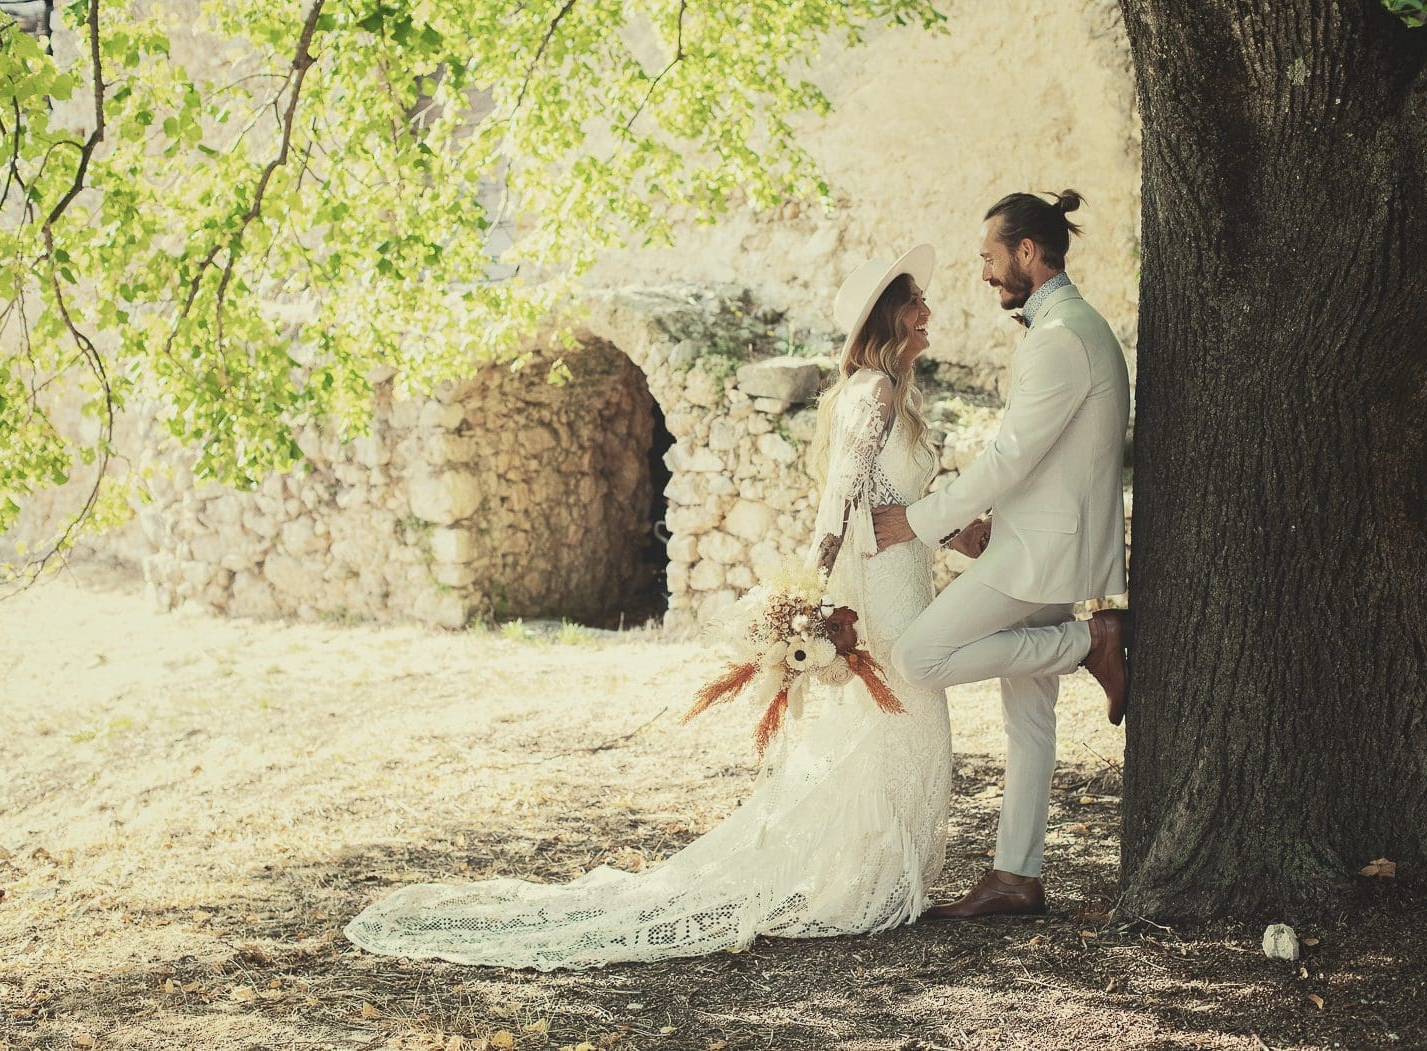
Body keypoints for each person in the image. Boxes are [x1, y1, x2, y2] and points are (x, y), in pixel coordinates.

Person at [343, 245, 960, 969]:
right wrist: (808, 593)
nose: (928, 313)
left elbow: (889, 496)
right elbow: (839, 501)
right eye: (915, 301)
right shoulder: (873, 392)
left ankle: (882, 872)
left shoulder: (886, 389)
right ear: (890, 315)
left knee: (897, 721)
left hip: (904, 573)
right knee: (903, 715)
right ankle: (875, 878)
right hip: (883, 585)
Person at [872, 190, 1131, 920]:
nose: (983, 271)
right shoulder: (1064, 329)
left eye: (989, 256)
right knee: (1029, 721)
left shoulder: (1061, 338)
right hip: (1046, 542)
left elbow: (1010, 457)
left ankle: (1089, 643)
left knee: (918, 656)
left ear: (1026, 251)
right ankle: (1016, 875)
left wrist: (923, 522)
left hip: (1040, 554)